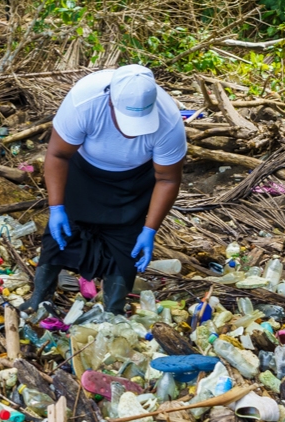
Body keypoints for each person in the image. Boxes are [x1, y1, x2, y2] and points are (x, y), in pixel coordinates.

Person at [24, 65, 187, 314]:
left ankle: (112, 314)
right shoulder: (85, 101)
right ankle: (39, 300)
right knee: (60, 235)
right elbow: (57, 154)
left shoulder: (169, 121)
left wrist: (149, 229)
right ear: (111, 102)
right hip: (83, 169)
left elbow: (167, 179)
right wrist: (56, 207)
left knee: (125, 246)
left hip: (134, 181)